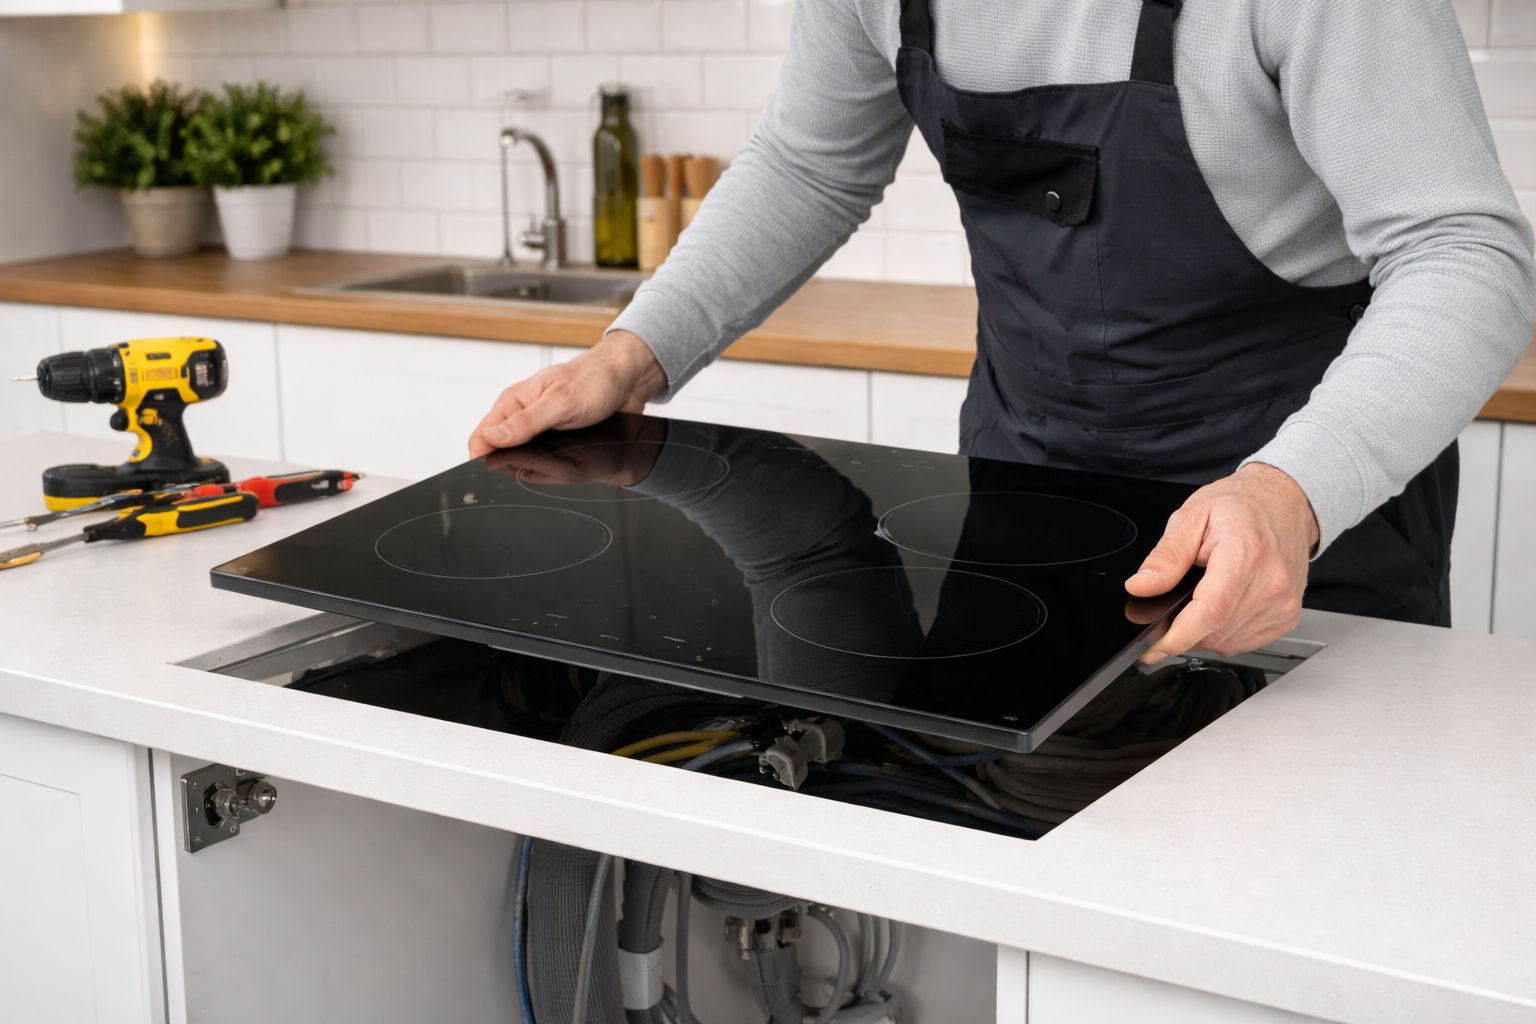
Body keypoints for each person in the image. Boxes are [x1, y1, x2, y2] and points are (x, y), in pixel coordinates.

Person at [470, 0, 1536, 663]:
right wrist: (633, 352)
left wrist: (1289, 494)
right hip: (1028, 496)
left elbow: (1466, 252)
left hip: (1299, 516)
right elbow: (810, 163)